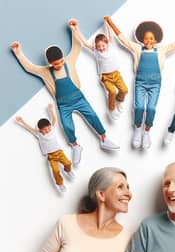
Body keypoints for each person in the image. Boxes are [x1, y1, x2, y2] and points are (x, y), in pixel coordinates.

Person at [10, 19, 120, 168]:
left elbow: (76, 46)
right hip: (63, 104)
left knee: (93, 116)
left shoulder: (69, 61)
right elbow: (30, 67)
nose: (60, 65)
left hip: (79, 97)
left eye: (61, 61)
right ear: (50, 63)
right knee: (67, 126)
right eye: (56, 64)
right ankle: (75, 146)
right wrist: (18, 53)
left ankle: (104, 138)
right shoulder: (45, 72)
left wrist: (74, 29)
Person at [27, 167, 147, 252]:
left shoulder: (126, 238)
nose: (129, 194)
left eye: (128, 187)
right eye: (120, 187)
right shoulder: (66, 224)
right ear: (101, 194)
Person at [104, 16, 175, 149]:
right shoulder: (137, 49)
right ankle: (138, 129)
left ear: (156, 40)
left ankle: (146, 132)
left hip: (155, 84)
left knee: (151, 108)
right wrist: (110, 23)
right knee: (139, 107)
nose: (148, 41)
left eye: (151, 38)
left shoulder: (161, 50)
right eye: (146, 38)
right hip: (140, 82)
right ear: (142, 39)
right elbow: (122, 38)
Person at [70, 19, 128, 121]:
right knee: (112, 91)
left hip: (116, 75)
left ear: (107, 43)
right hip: (106, 77)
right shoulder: (96, 51)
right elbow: (83, 42)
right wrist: (76, 29)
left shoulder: (110, 46)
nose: (101, 48)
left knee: (124, 90)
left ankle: (119, 100)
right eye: (98, 46)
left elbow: (109, 34)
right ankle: (111, 109)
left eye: (103, 45)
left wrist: (107, 22)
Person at [15, 103, 74, 193]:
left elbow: (54, 119)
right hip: (51, 156)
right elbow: (30, 129)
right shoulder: (39, 134)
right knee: (55, 171)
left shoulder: (52, 129)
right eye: (45, 130)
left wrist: (51, 110)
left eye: (48, 128)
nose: (47, 130)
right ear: (40, 130)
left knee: (68, 163)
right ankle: (60, 184)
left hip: (59, 152)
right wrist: (22, 121)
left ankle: (68, 170)